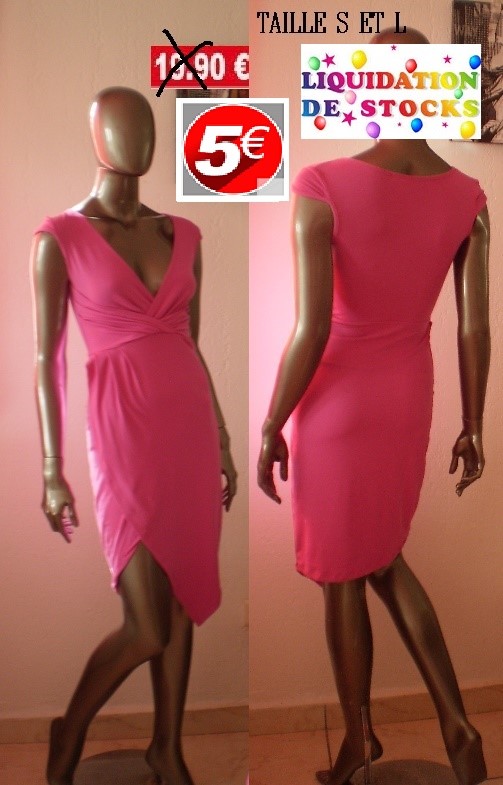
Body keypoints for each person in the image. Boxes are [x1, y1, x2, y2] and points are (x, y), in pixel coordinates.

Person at [257, 28, 490, 785]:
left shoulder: (322, 184)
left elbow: (311, 328)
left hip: (336, 402)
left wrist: (270, 422)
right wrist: (473, 424)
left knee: (342, 572)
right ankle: (455, 724)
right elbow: (474, 326)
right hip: (406, 396)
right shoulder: (468, 196)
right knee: (382, 557)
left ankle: (359, 740)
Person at [31, 86, 237, 785]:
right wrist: (52, 467)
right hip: (120, 431)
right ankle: (68, 728)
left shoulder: (184, 235)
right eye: (124, 127)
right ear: (97, 137)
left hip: (188, 432)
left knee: (182, 599)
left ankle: (166, 748)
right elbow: (46, 359)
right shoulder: (59, 238)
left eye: (147, 127)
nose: (139, 140)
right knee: (145, 622)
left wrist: (222, 437)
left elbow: (189, 346)